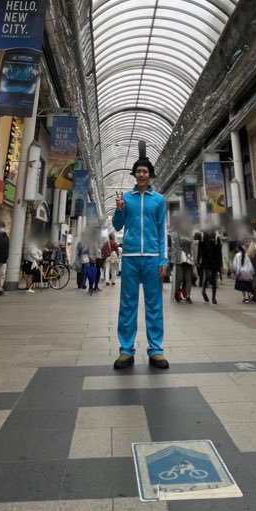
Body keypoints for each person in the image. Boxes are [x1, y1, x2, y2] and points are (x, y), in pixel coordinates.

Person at [112, 157, 169, 370]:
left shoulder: (159, 200)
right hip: (130, 258)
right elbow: (118, 226)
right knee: (127, 305)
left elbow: (162, 231)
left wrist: (163, 259)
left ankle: (155, 350)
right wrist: (119, 210)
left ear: (150, 174)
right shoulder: (126, 198)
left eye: (145, 171)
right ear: (134, 174)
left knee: (154, 305)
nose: (142, 174)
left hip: (152, 258)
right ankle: (126, 350)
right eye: (139, 171)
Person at [170, 216, 193, 303]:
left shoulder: (189, 233)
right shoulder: (175, 232)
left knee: (188, 278)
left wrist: (193, 258)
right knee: (179, 278)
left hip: (189, 259)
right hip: (179, 259)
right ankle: (176, 292)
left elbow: (193, 245)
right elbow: (174, 246)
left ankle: (187, 296)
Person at [199, 229, 222, 304]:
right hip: (205, 260)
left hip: (214, 261)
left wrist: (220, 264)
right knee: (207, 276)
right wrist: (198, 260)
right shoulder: (203, 236)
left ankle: (213, 297)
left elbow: (219, 251)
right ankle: (203, 290)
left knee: (214, 278)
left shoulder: (216, 237)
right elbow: (200, 249)